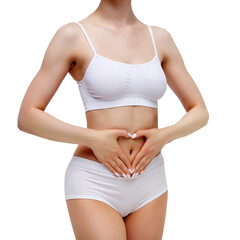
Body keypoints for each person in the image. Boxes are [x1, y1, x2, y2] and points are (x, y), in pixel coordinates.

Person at [17, 0, 209, 239]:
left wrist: (164, 136)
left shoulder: (160, 38)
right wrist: (92, 138)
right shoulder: (73, 35)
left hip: (150, 179)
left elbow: (199, 111)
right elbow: (28, 115)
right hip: (95, 180)